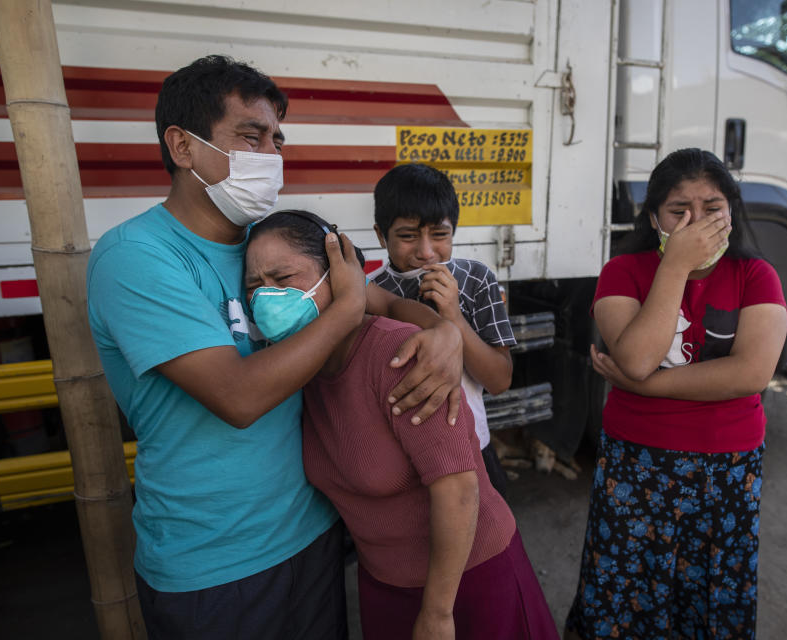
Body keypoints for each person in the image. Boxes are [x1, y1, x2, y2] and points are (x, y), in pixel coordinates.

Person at [86, 55, 463, 639]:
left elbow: (386, 305)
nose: (269, 158)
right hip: (212, 565)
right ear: (182, 148)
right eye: (249, 137)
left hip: (310, 537)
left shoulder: (267, 248)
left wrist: (444, 336)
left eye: (276, 140)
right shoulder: (137, 257)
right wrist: (341, 310)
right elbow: (237, 398)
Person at [244, 209, 558, 640]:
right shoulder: (303, 367)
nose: (266, 297)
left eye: (283, 278)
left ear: (339, 277)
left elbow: (458, 488)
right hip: (384, 585)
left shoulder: (399, 355)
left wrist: (437, 613)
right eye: (254, 285)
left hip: (464, 583)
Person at [564, 148, 787, 639]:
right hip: (637, 464)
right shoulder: (624, 272)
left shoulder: (757, 276)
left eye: (712, 208)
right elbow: (638, 356)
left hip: (728, 471)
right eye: (678, 210)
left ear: (732, 211)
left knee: (708, 598)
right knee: (626, 590)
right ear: (653, 218)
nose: (695, 222)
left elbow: (750, 373)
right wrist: (675, 268)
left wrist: (644, 384)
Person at [368, 163, 515, 493]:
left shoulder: (476, 280)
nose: (426, 252)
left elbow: (499, 380)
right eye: (407, 236)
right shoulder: (371, 294)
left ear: (454, 231)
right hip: (400, 457)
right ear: (380, 235)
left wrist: (453, 316)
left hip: (472, 446)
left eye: (439, 235)